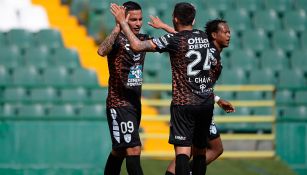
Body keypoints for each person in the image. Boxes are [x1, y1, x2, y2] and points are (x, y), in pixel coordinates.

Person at [111, 2, 226, 174]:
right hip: (205, 103)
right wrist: (164, 26)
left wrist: (122, 22)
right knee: (200, 151)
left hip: (184, 104)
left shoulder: (175, 40)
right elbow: (187, 40)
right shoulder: (203, 37)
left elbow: (136, 45)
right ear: (193, 20)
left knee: (183, 153)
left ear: (175, 18)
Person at [148, 17, 233, 175]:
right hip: (197, 105)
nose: (229, 35)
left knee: (195, 149)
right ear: (214, 35)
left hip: (199, 102)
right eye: (225, 32)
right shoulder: (211, 54)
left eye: (229, 32)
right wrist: (215, 99)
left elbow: (182, 40)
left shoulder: (207, 49)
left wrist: (217, 99)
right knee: (202, 149)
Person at [97, 1, 149, 175]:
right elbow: (101, 51)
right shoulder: (117, 39)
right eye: (133, 20)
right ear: (124, 19)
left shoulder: (142, 39)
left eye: (140, 19)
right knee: (133, 149)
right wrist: (118, 28)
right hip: (118, 102)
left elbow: (171, 44)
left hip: (134, 103)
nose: (138, 23)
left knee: (119, 150)